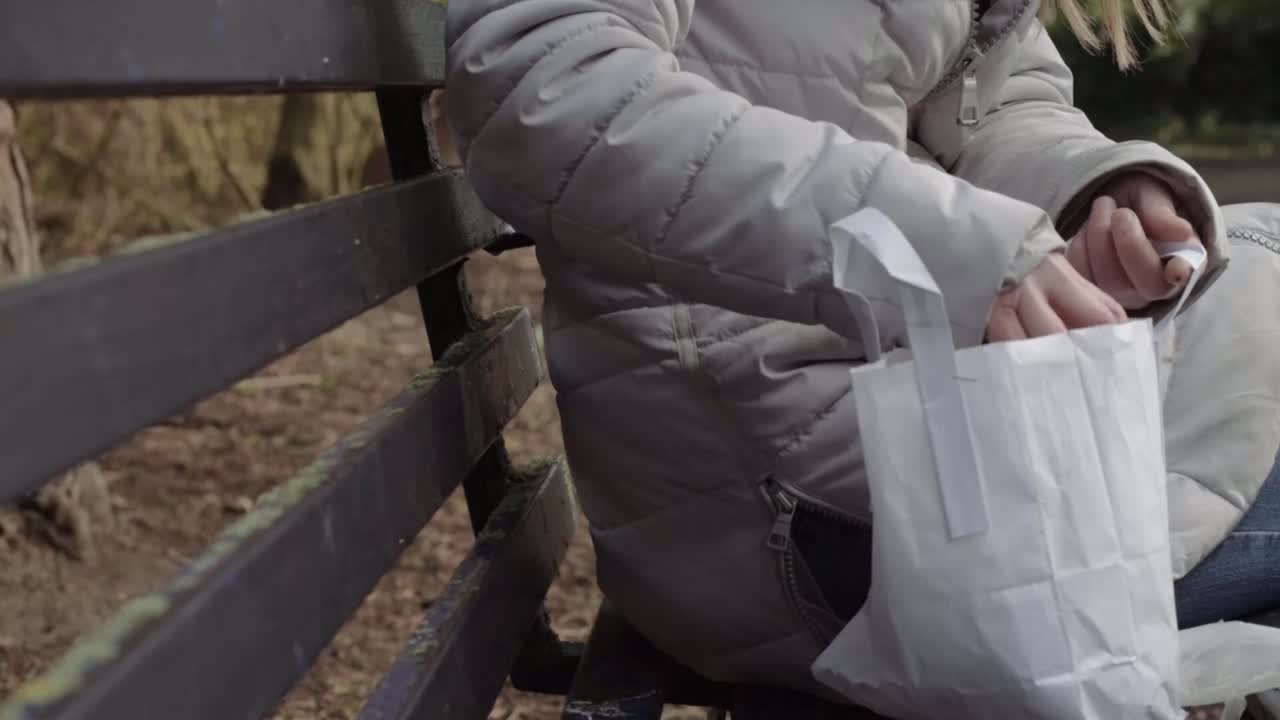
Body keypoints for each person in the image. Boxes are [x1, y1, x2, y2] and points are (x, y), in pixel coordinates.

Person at [442, 0, 1280, 711]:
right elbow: (544, 90)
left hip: (900, 421)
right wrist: (941, 253)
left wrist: (1099, 190)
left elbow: (998, 101)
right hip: (783, 499)